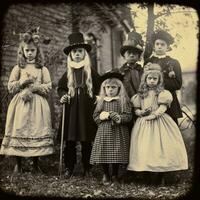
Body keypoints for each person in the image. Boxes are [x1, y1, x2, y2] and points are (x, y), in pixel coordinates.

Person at [0, 27, 54, 173]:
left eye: (33, 50)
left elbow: (49, 86)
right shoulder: (18, 68)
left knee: (36, 129)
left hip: (38, 104)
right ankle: (19, 163)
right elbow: (10, 86)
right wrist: (21, 83)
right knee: (20, 128)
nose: (30, 53)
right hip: (21, 103)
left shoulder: (42, 69)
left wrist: (37, 87)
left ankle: (35, 163)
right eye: (27, 50)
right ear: (22, 52)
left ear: (37, 52)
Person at [127, 63, 188, 185]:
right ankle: (146, 176)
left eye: (155, 79)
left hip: (159, 122)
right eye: (149, 78)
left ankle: (160, 176)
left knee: (160, 148)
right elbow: (136, 109)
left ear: (159, 80)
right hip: (144, 124)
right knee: (144, 148)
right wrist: (141, 112)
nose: (152, 81)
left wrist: (154, 115)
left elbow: (163, 107)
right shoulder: (141, 94)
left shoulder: (162, 93)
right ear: (145, 79)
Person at [57, 32, 100, 178]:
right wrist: (63, 95)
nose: (77, 54)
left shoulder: (91, 72)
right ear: (70, 55)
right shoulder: (68, 73)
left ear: (84, 53)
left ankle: (87, 167)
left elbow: (101, 86)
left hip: (86, 110)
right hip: (71, 110)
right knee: (70, 141)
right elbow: (61, 87)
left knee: (86, 139)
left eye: (80, 51)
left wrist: (98, 97)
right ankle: (69, 167)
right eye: (74, 52)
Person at [90, 71, 132, 186]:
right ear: (104, 88)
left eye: (113, 87)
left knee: (116, 153)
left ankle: (114, 174)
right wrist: (104, 116)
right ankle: (106, 174)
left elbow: (128, 116)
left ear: (119, 88)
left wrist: (119, 118)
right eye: (108, 87)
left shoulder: (123, 101)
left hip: (118, 131)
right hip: (104, 130)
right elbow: (95, 116)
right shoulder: (101, 101)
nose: (110, 90)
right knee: (104, 152)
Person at [144, 30, 183, 124]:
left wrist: (158, 81)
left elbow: (177, 84)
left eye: (163, 44)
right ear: (153, 46)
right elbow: (144, 81)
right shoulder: (148, 62)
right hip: (151, 99)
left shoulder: (174, 62)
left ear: (168, 47)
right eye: (157, 44)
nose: (159, 46)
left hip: (169, 101)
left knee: (171, 130)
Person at [119, 31, 144, 99]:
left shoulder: (142, 71)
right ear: (124, 56)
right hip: (126, 102)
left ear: (138, 56)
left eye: (134, 53)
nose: (132, 55)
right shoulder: (120, 72)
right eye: (129, 53)